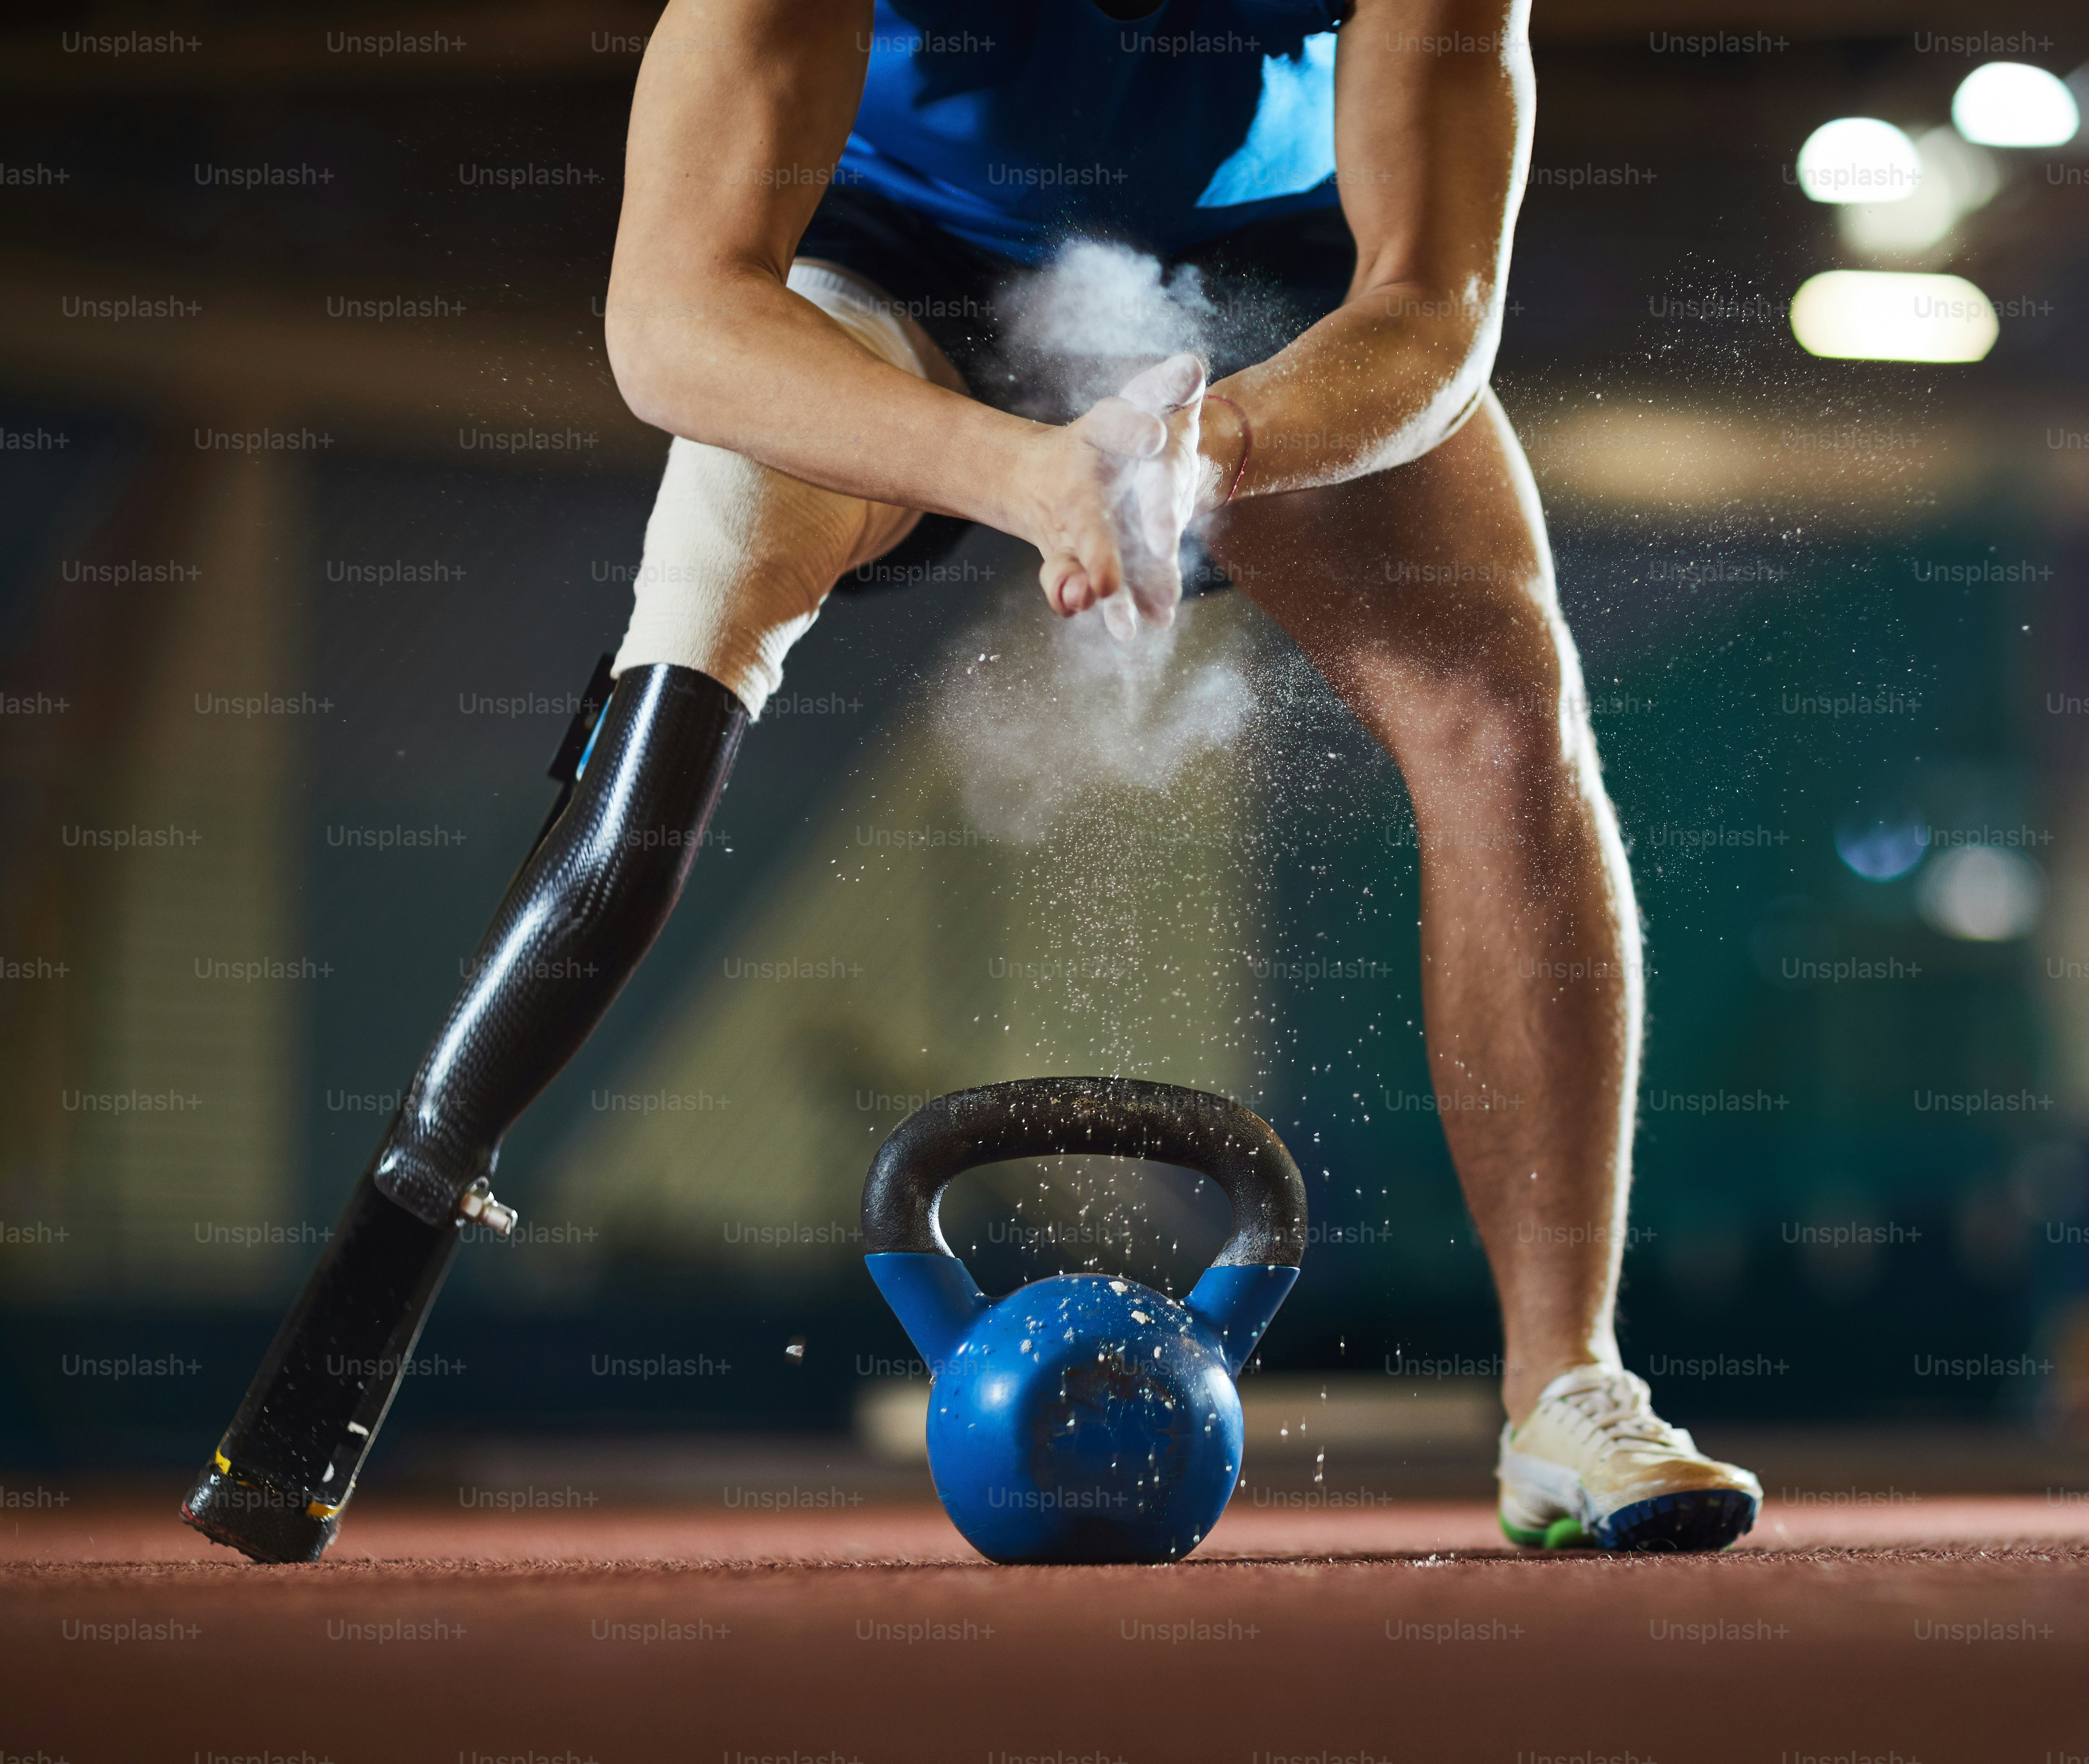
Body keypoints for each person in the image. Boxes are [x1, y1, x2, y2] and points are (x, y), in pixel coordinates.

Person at [185, 0, 1758, 1564]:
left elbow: (1430, 310)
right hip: (882, 280)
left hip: (1276, 291)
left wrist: (1207, 451)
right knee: (680, 673)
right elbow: (668, 318)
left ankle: (1568, 1387)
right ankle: (352, 1326)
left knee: (1499, 712)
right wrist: (1025, 470)